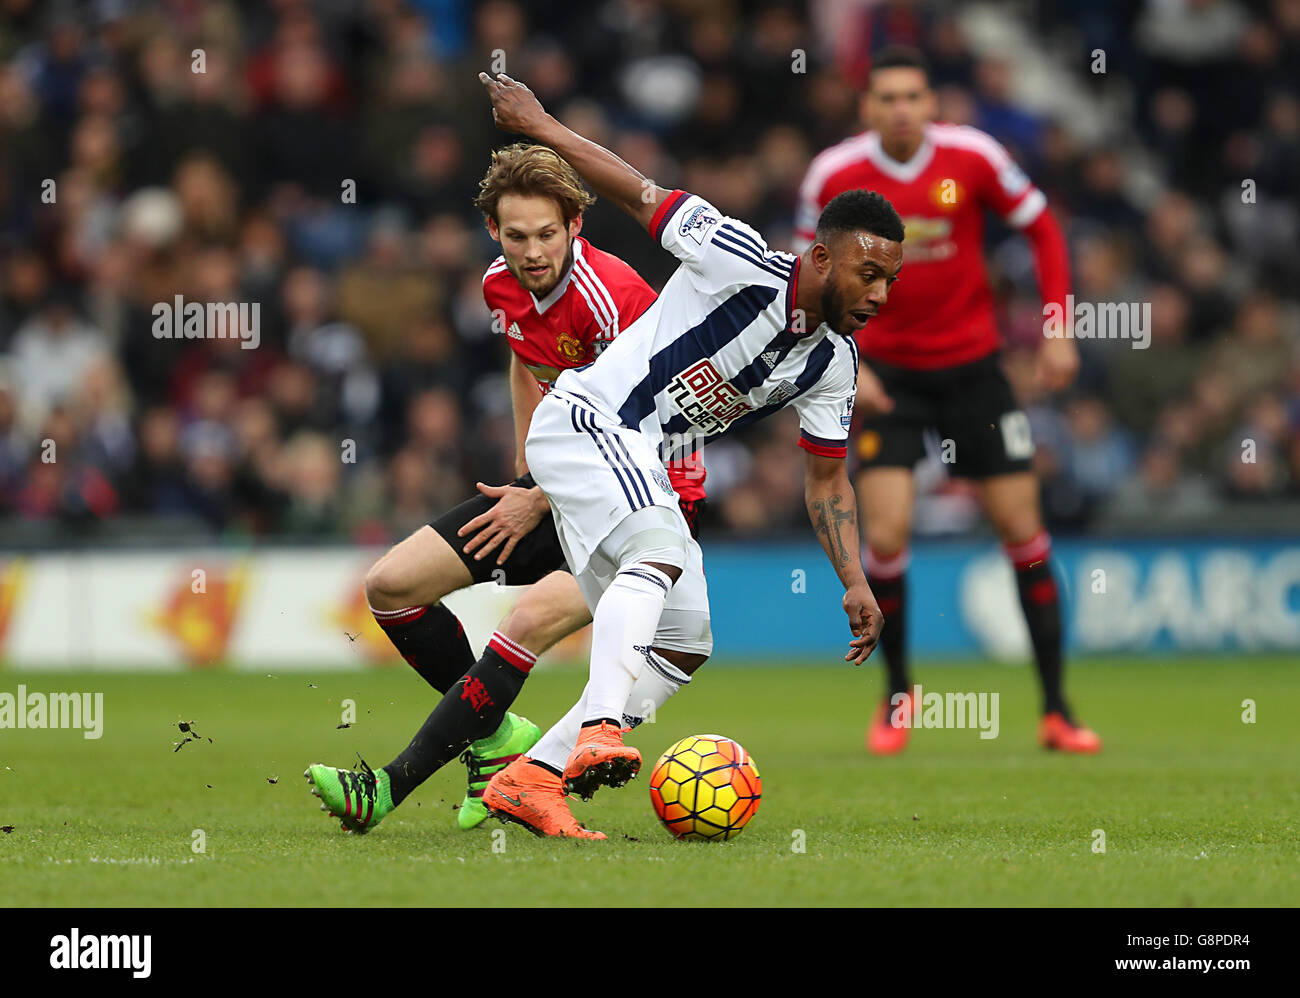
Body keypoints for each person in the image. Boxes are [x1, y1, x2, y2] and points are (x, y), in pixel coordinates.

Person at [474, 71, 895, 839]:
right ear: (826, 260)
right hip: (587, 419)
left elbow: (826, 478)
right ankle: (602, 727)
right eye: (869, 273)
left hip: (636, 458)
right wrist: (541, 125)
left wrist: (855, 580)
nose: (879, 294)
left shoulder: (833, 364)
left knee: (685, 639)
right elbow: (638, 193)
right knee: (659, 550)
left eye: (890, 280)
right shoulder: (737, 257)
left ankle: (531, 777)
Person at [304, 143, 706, 832]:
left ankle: (385, 791)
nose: (533, 251)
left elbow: (642, 423)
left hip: (648, 498)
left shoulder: (608, 301)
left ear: (576, 224)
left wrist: (542, 493)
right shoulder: (499, 285)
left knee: (521, 625)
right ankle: (494, 742)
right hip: (565, 482)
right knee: (391, 587)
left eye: (547, 233)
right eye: (516, 235)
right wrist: (530, 471)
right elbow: (528, 366)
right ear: (494, 231)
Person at [792, 46, 1101, 754]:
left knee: (1022, 532)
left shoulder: (976, 157)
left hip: (972, 370)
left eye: (913, 96)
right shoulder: (834, 174)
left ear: (932, 104)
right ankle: (898, 698)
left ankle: (1057, 709)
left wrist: (1058, 329)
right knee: (890, 536)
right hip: (887, 373)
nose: (901, 109)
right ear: (867, 107)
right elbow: (806, 268)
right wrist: (840, 360)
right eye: (887, 98)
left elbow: (1043, 227)